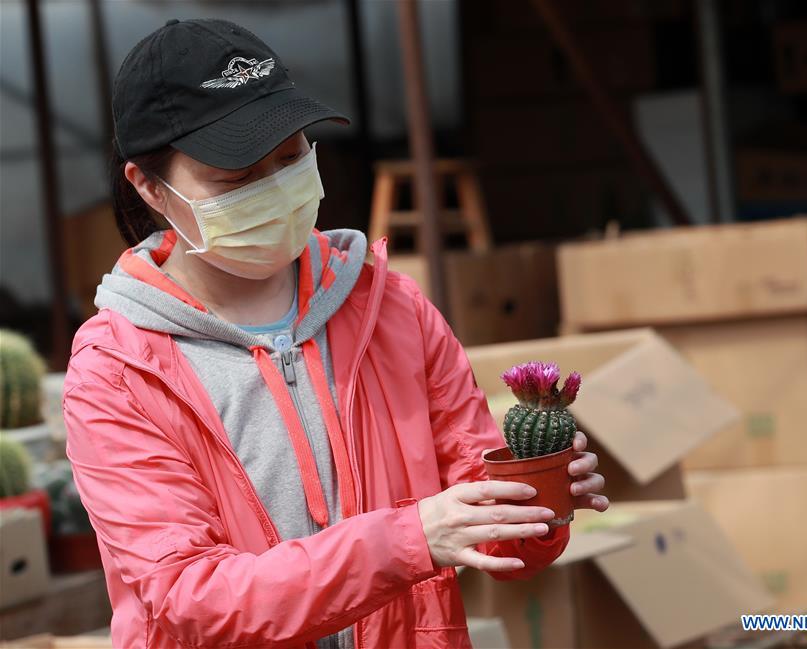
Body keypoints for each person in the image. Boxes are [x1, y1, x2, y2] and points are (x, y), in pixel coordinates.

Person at [62, 18, 609, 649]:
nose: (274, 188)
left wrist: (536, 502)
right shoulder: (117, 370)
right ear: (150, 187)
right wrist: (409, 539)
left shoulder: (391, 306)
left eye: (291, 157)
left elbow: (478, 513)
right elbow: (187, 597)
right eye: (235, 178)